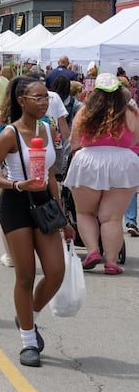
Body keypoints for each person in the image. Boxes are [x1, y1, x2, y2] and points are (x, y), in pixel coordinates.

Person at [0, 76, 74, 367]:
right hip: (16, 203)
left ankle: (28, 317)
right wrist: (17, 186)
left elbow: (50, 177)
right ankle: (27, 341)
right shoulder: (9, 134)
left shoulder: (47, 129)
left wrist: (64, 218)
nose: (44, 102)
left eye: (46, 97)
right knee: (25, 275)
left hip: (44, 202)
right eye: (38, 97)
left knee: (56, 272)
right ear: (22, 101)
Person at [65, 73, 139, 275]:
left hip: (89, 162)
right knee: (112, 218)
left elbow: (74, 142)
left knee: (85, 213)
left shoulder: (85, 111)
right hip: (123, 163)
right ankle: (112, 262)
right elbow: (136, 142)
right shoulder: (130, 111)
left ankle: (92, 251)